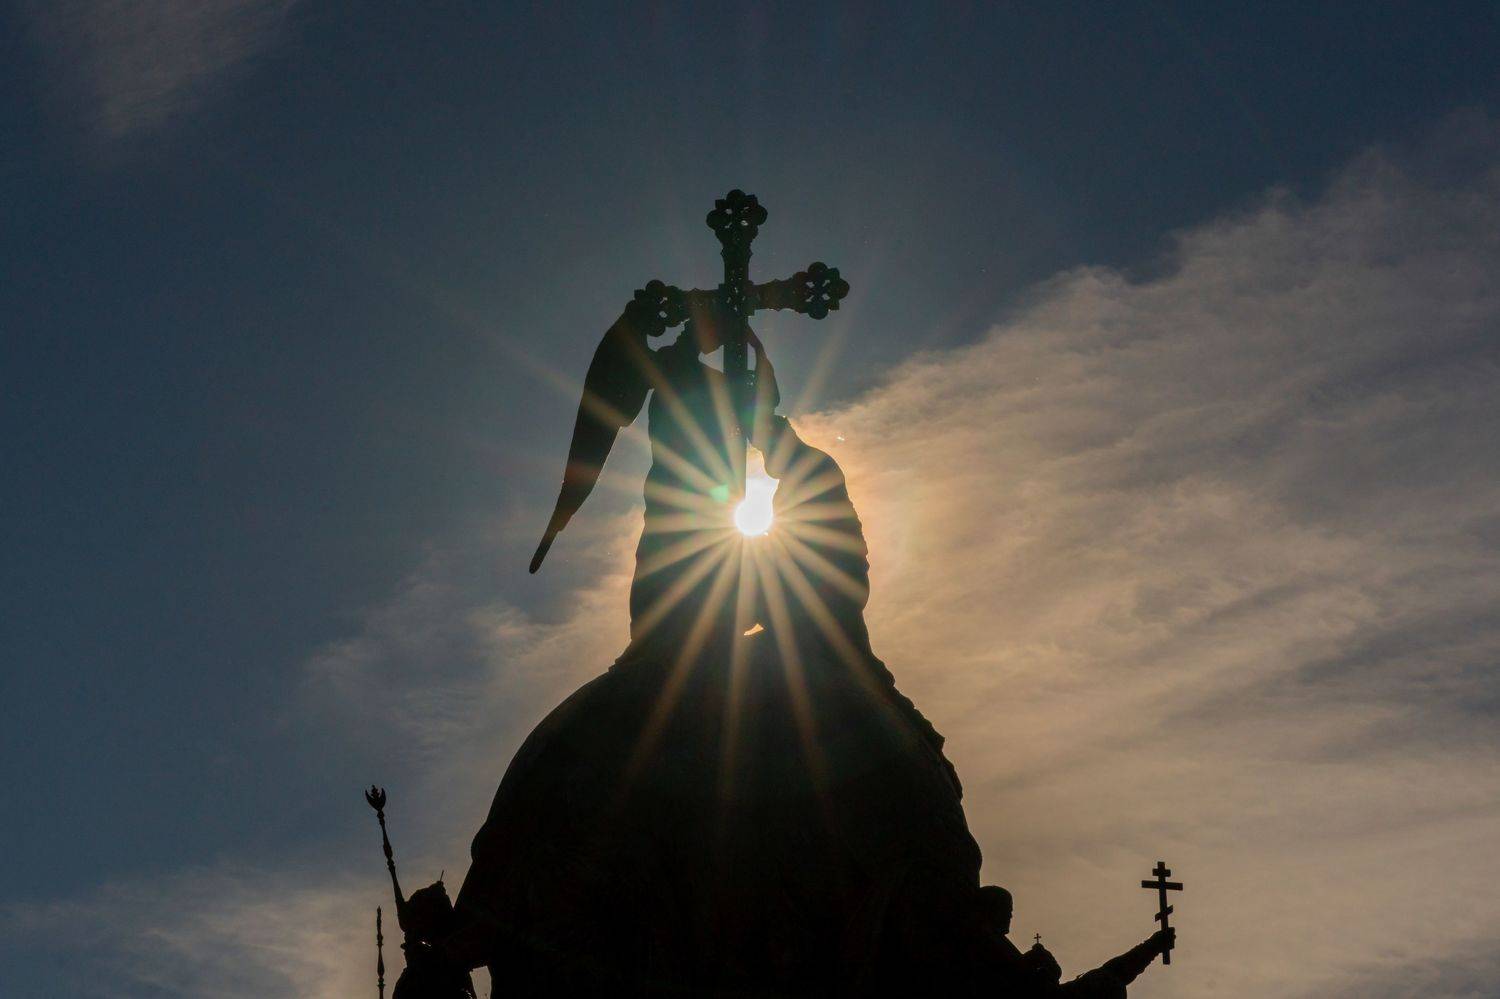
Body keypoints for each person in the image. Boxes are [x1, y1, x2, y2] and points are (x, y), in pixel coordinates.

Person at [972, 884, 1177, 998]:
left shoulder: (996, 943)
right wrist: (1038, 964)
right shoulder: (983, 944)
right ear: (989, 909)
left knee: (1108, 978)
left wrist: (1152, 947)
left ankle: (1151, 946)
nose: (1010, 916)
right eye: (1006, 910)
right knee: (1106, 979)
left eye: (1010, 911)